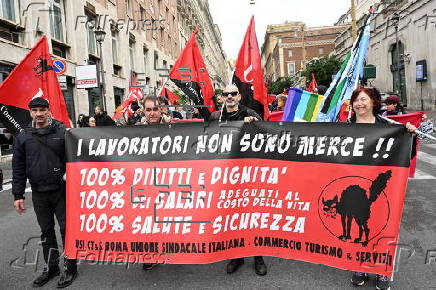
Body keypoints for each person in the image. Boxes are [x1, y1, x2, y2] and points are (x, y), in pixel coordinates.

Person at [347, 87, 416, 290]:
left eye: (363, 100)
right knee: (358, 227)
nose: (359, 104)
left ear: (374, 102)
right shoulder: (345, 126)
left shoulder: (389, 126)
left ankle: (382, 270)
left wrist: (410, 135)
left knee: (382, 225)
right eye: (356, 100)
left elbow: (407, 155)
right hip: (355, 186)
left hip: (381, 188)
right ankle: (359, 266)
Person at [12, 97, 77, 288]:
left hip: (61, 191)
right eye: (35, 110)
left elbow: (75, 159)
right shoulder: (23, 136)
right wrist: (18, 195)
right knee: (46, 231)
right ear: (30, 112)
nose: (39, 114)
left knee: (67, 230)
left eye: (42, 110)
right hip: (39, 192)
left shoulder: (63, 132)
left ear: (49, 111)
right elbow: (18, 167)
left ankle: (71, 266)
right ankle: (52, 267)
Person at [210, 85, 267, 276]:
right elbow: (206, 139)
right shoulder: (215, 116)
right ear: (222, 97)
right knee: (231, 215)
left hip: (248, 173)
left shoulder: (249, 113)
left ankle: (258, 256)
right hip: (226, 175)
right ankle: (237, 256)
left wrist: (254, 123)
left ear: (239, 96)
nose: (230, 96)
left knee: (252, 215)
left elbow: (265, 133)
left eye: (233, 93)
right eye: (226, 94)